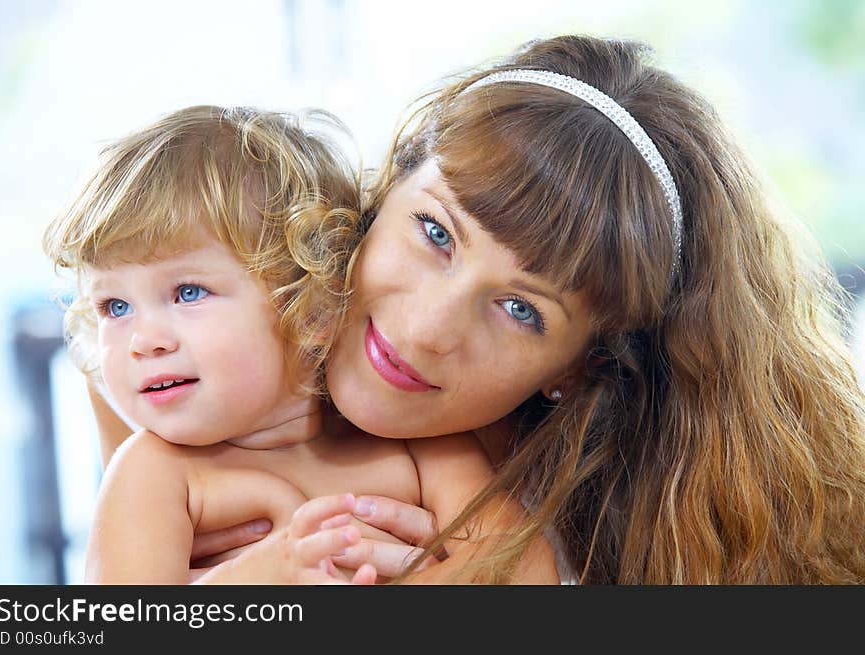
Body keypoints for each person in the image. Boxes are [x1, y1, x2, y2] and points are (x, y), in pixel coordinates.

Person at [89, 35, 865, 584]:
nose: (423, 330)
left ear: (580, 367)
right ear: (386, 184)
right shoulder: (170, 372)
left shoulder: (478, 468)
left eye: (522, 311)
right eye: (434, 232)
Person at [44, 105, 556, 584]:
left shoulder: (423, 444)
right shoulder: (153, 474)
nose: (142, 341)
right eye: (114, 307)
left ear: (311, 309)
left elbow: (530, 568)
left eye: (188, 292)